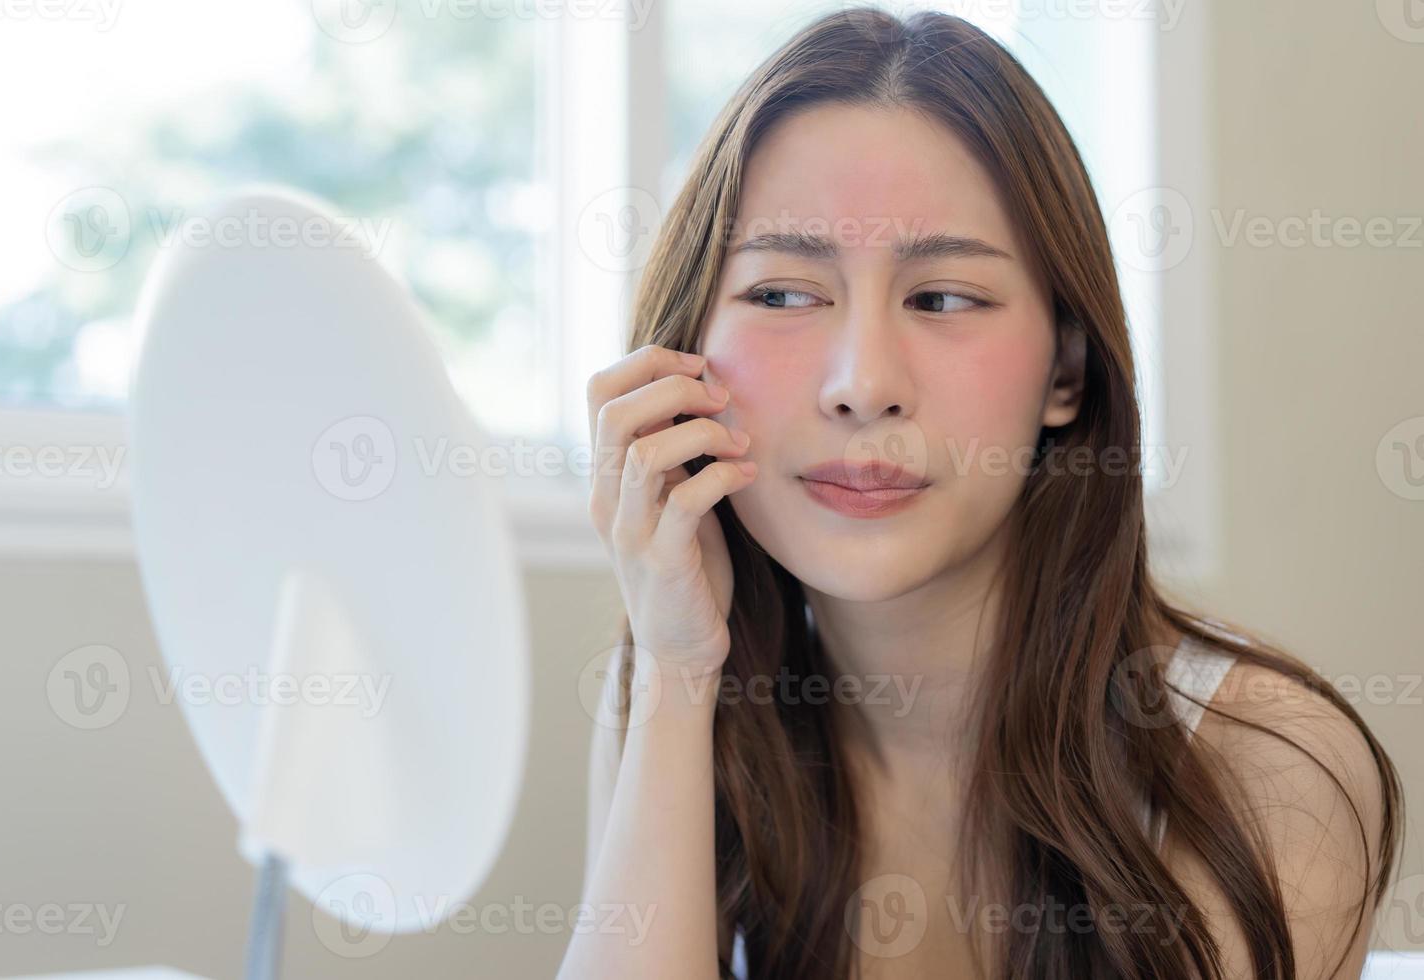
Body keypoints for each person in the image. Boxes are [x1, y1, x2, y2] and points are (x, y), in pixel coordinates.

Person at [557, 8, 1405, 979]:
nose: (862, 382)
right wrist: (675, 674)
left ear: (1067, 374)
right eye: (784, 294)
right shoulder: (667, 700)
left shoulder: (1264, 766)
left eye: (944, 298)